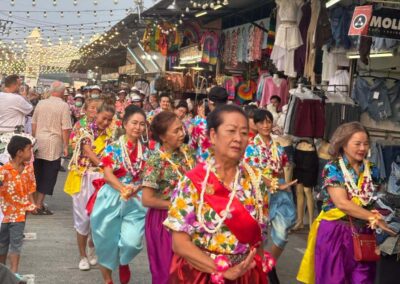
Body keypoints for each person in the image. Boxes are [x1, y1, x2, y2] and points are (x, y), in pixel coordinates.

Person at [164, 105, 275, 283]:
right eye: (231, 131)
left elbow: (258, 238)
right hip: (202, 274)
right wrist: (221, 270)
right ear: (213, 135)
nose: (238, 139)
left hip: (247, 275)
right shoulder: (192, 182)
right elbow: (180, 243)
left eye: (245, 133)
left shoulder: (256, 182)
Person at [297, 122, 395, 284]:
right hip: (336, 233)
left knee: (363, 279)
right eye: (357, 144)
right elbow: (342, 203)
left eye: (366, 144)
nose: (362, 148)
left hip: (363, 235)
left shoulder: (372, 169)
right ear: (342, 144)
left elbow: (375, 198)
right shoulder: (333, 168)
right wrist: (374, 217)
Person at [91, 105, 149, 284]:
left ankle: (124, 261)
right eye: (134, 123)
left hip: (135, 200)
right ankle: (107, 279)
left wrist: (136, 189)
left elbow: (148, 177)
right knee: (105, 241)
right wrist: (123, 189)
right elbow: (107, 175)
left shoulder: (147, 151)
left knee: (132, 242)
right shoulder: (113, 147)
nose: (138, 127)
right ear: (125, 124)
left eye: (141, 124)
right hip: (110, 198)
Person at [141, 111, 195, 284]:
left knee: (188, 271)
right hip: (164, 221)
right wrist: (176, 204)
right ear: (163, 137)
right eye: (176, 131)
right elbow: (147, 199)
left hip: (190, 218)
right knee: (167, 271)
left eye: (182, 129)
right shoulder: (156, 160)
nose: (182, 134)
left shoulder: (187, 152)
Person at [244, 109, 296, 282]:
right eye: (262, 122)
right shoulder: (251, 146)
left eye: (269, 121)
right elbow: (251, 171)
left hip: (278, 194)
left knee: (281, 235)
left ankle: (266, 266)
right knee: (258, 237)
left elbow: (282, 168)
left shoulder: (278, 146)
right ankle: (261, 270)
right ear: (256, 125)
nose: (266, 125)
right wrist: (273, 183)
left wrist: (285, 185)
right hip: (258, 195)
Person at [64, 102, 115, 271]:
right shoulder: (83, 129)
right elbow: (88, 151)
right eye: (103, 118)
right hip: (84, 177)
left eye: (109, 119)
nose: (105, 122)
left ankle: (92, 247)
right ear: (96, 114)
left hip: (102, 178)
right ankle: (82, 255)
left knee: (98, 217)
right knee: (83, 219)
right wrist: (103, 164)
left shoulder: (110, 134)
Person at [32, 81, 72, 214]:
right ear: (62, 92)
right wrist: (66, 145)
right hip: (53, 144)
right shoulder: (63, 106)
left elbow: (34, 123)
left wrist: (33, 140)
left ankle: (34, 203)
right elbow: (65, 128)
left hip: (38, 141)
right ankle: (38, 204)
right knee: (48, 174)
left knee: (36, 172)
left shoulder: (41, 103)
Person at [0, 136, 37, 280]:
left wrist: (32, 204)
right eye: (29, 150)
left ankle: (14, 272)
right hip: (4, 214)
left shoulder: (28, 169)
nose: (31, 153)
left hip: (20, 214)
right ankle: (3, 270)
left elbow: (30, 189)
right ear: (19, 152)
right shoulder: (4, 171)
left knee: (16, 243)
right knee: (2, 243)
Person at [190, 86, 228, 163]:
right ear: (226, 102)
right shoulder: (231, 123)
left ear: (210, 101)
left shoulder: (200, 124)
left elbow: (192, 147)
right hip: (224, 166)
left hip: (203, 167)